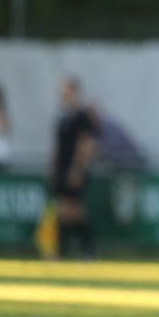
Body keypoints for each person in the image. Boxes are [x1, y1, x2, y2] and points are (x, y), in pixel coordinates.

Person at [50, 77, 97, 257]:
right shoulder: (62, 117)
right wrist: (53, 167)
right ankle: (63, 249)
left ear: (74, 92)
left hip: (73, 167)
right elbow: (58, 146)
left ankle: (87, 248)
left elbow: (86, 144)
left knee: (75, 210)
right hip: (62, 167)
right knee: (62, 209)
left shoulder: (82, 116)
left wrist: (77, 168)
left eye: (66, 90)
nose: (62, 94)